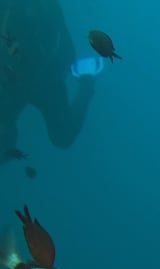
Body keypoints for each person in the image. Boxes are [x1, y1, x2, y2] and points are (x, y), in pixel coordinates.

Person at [0, 0, 95, 164]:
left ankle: (86, 78)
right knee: (62, 136)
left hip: (43, 73)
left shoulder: (40, 83)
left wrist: (84, 80)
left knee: (62, 136)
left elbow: (66, 52)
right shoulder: (36, 87)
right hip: (38, 74)